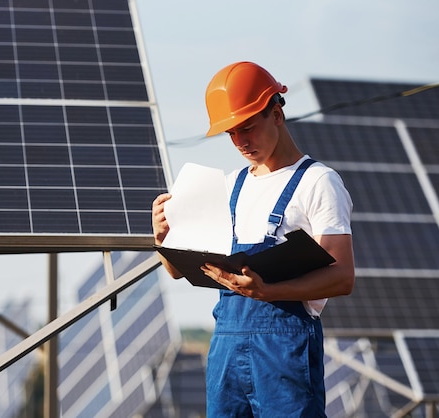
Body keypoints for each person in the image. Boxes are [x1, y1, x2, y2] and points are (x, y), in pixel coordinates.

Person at [152, 61, 355, 417]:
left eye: (247, 128)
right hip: (225, 354)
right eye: (231, 133)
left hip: (284, 356)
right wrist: (164, 240)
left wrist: (269, 291)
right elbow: (176, 272)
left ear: (276, 114)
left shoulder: (319, 182)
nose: (240, 142)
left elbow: (342, 277)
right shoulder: (228, 186)